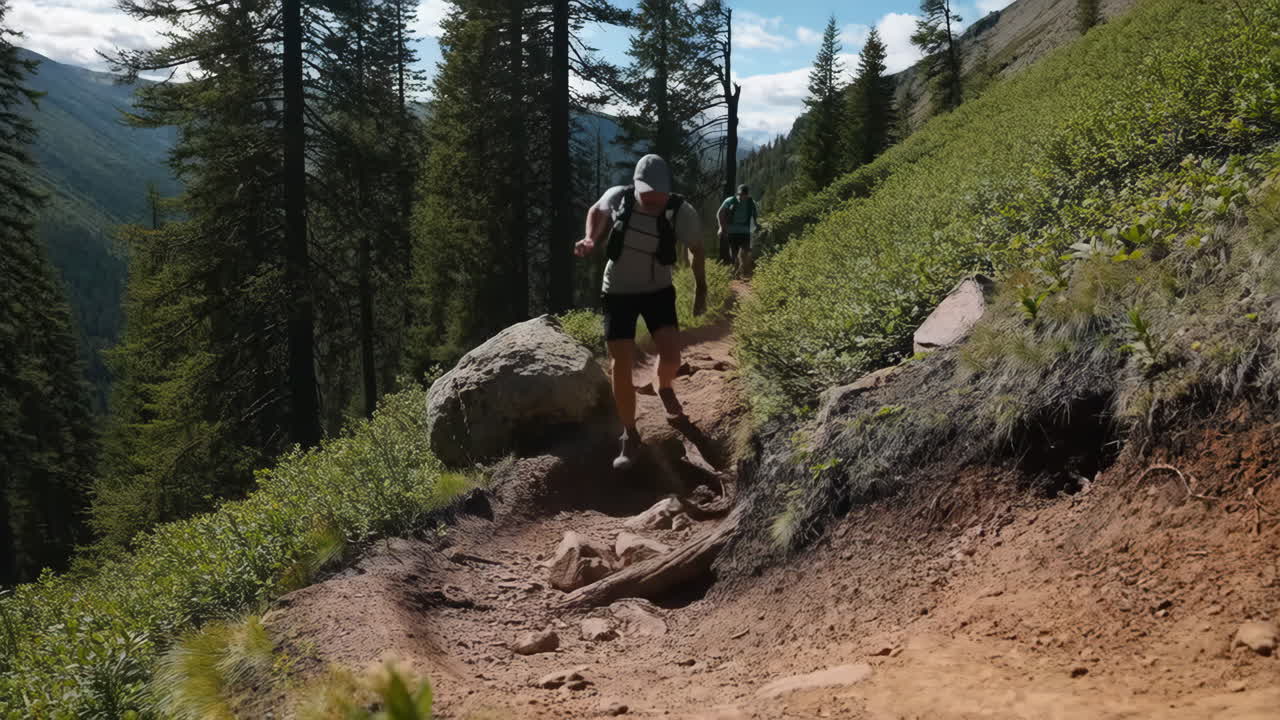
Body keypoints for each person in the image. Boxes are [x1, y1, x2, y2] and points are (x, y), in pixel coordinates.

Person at [574, 154, 707, 470]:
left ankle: (663, 387)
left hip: (658, 290)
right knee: (620, 363)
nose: (653, 199)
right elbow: (597, 210)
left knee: (672, 357)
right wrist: (591, 239)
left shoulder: (680, 210)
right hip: (618, 290)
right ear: (636, 185)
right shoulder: (619, 196)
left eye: (658, 193)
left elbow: (697, 247)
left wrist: (701, 286)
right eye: (647, 192)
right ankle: (629, 434)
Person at [717, 184, 758, 278]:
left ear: (747, 195)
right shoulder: (730, 201)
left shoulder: (751, 202)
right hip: (732, 230)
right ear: (737, 194)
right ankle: (736, 273)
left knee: (745, 252)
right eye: (739, 194)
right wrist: (721, 227)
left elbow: (754, 214)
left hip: (745, 230)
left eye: (743, 195)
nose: (741, 197)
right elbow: (720, 213)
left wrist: (756, 224)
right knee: (734, 253)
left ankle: (743, 272)